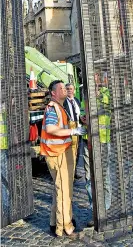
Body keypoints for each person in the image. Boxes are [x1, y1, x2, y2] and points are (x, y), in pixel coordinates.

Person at [40, 80, 86, 238]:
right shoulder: (53, 108)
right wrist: (73, 132)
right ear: (53, 93)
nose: (64, 90)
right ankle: (65, 226)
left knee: (59, 189)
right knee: (64, 190)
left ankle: (54, 223)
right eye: (60, 88)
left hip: (59, 151)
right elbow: (51, 129)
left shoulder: (61, 107)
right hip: (58, 153)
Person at [80, 82, 113, 227]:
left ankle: (104, 209)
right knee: (89, 176)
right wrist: (82, 118)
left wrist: (98, 96)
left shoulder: (106, 94)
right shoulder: (84, 96)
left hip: (103, 140)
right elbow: (82, 112)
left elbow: (108, 109)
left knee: (104, 175)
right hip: (88, 141)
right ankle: (95, 210)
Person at [63, 83, 82, 179]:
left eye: (71, 89)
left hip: (78, 128)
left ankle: (74, 171)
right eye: (67, 89)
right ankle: (69, 172)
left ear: (74, 90)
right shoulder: (63, 102)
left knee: (77, 151)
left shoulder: (77, 101)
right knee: (70, 151)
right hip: (69, 129)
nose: (69, 90)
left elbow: (80, 113)